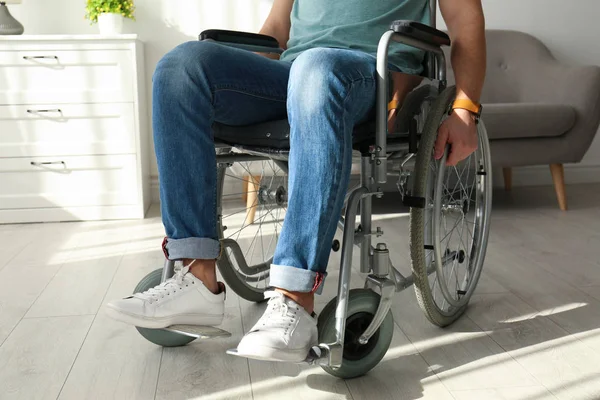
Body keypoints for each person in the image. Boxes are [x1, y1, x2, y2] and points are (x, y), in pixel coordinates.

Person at [106, 0, 485, 362]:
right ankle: (196, 279)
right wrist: (234, 84)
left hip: (370, 76)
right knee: (181, 66)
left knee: (317, 69)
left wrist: (465, 109)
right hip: (294, 73)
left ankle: (294, 299)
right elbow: (275, 29)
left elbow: (466, 22)